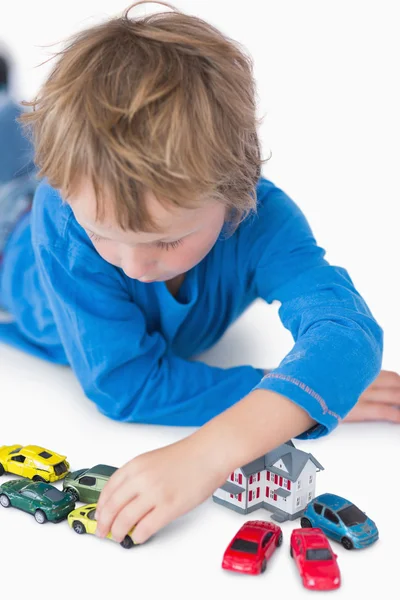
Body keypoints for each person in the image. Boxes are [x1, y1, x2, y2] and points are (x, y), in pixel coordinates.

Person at [0, 2, 399, 546]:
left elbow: (346, 334)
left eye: (165, 240)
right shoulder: (63, 217)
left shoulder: (263, 221)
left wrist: (268, 417)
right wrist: (291, 400)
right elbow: (127, 386)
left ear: (237, 190)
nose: (134, 265)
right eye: (103, 234)